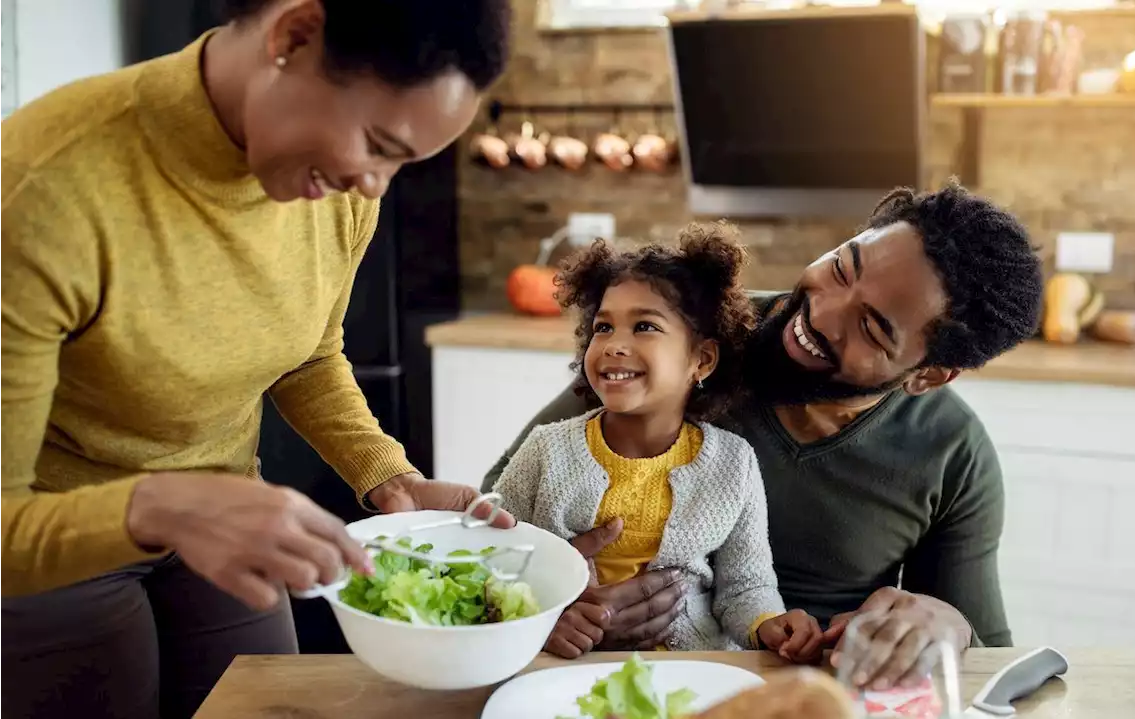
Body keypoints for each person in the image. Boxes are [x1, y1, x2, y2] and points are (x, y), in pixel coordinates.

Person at [0, 1, 512, 717]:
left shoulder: (338, 190)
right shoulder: (40, 188)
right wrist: (161, 505)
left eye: (403, 162)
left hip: (228, 509)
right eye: (376, 142)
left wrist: (388, 475)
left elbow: (306, 353)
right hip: (53, 540)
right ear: (294, 38)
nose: (375, 186)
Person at [484, 182, 1045, 691]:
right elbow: (499, 510)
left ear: (927, 375)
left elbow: (990, 660)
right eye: (843, 268)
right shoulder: (689, 337)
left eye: (871, 328)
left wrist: (945, 623)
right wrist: (551, 596)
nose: (821, 314)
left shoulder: (952, 453)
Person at [493, 225, 824, 663]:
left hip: (694, 671)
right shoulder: (545, 451)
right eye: (603, 327)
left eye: (644, 326)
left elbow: (747, 585)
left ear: (701, 359)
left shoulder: (733, 463)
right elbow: (494, 560)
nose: (614, 345)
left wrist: (768, 625)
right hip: (567, 666)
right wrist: (542, 615)